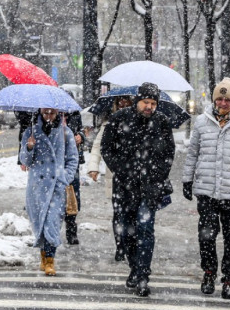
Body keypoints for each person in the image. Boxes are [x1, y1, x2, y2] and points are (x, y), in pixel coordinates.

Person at [182, 77, 230, 300]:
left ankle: (229, 281)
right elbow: (193, 154)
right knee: (206, 236)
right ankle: (208, 273)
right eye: (220, 99)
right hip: (206, 190)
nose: (223, 103)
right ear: (215, 100)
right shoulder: (201, 122)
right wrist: (187, 180)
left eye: (227, 99)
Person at [101, 82, 175, 297]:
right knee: (124, 231)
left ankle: (143, 275)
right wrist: (121, 168)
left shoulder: (162, 122)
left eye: (153, 103)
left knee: (145, 229)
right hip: (124, 186)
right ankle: (134, 266)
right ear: (138, 101)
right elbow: (107, 148)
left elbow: (169, 153)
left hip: (149, 187)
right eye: (146, 102)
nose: (149, 107)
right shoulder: (119, 119)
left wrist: (158, 175)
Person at [19, 107, 79, 276]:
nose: (48, 116)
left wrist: (64, 177)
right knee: (39, 221)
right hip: (37, 186)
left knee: (51, 221)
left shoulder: (65, 133)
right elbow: (25, 160)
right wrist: (29, 147)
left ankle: (50, 260)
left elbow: (72, 159)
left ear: (58, 113)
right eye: (45, 113)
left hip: (56, 186)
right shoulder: (31, 132)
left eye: (52, 113)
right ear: (40, 113)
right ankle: (43, 256)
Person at [86, 94, 134, 262]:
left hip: (136, 177)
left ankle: (131, 244)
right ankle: (121, 245)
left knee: (133, 214)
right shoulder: (109, 124)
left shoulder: (139, 122)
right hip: (115, 176)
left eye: (126, 100)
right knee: (119, 213)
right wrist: (93, 167)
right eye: (119, 101)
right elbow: (98, 147)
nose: (122, 104)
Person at [63, 108, 87, 245]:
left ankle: (71, 230)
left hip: (72, 161)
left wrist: (81, 136)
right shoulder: (47, 116)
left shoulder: (74, 115)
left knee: (72, 196)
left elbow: (81, 130)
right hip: (55, 161)